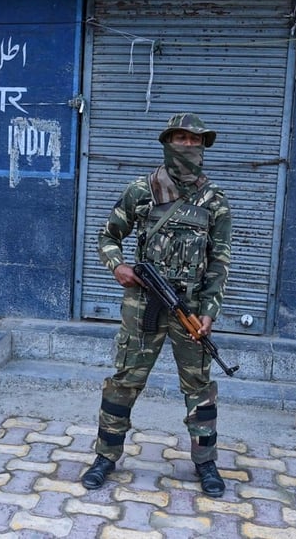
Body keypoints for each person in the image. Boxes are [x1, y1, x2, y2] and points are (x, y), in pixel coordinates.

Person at [82, 113, 232, 498]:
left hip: (191, 306)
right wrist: (118, 266)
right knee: (125, 380)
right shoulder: (141, 191)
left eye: (194, 140)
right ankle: (105, 456)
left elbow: (220, 261)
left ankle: (206, 462)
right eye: (180, 139)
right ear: (167, 142)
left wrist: (209, 311)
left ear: (203, 147)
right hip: (142, 302)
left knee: (199, 385)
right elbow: (107, 235)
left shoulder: (215, 200)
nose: (187, 145)